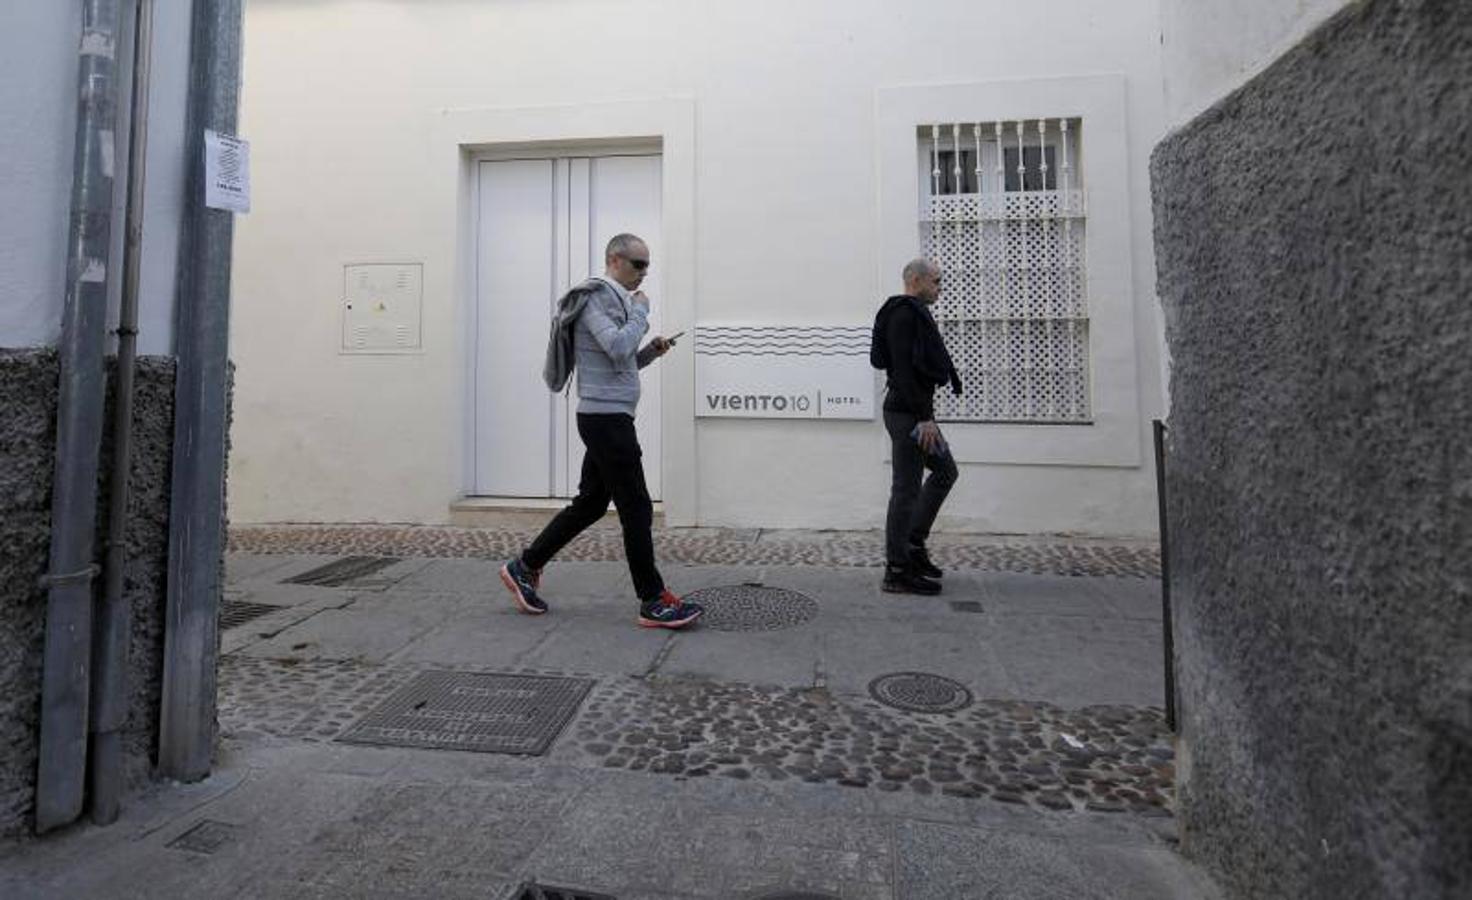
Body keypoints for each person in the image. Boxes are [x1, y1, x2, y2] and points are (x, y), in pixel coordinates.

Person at [499, 233, 704, 629]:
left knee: (591, 504)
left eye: (648, 265)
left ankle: (525, 566)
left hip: (610, 416)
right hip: (605, 420)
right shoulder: (596, 297)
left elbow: (623, 362)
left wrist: (651, 351)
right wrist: (642, 313)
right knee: (637, 507)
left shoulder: (618, 301)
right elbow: (615, 347)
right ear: (614, 259)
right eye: (638, 264)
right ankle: (652, 601)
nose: (644, 272)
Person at [871, 258, 962, 595]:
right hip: (909, 416)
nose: (941, 287)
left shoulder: (914, 313)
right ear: (917, 280)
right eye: (937, 281)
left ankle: (912, 545)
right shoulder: (903, 315)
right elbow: (904, 371)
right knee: (906, 489)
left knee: (945, 472)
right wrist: (924, 418)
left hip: (919, 414)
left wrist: (927, 415)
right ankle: (896, 571)